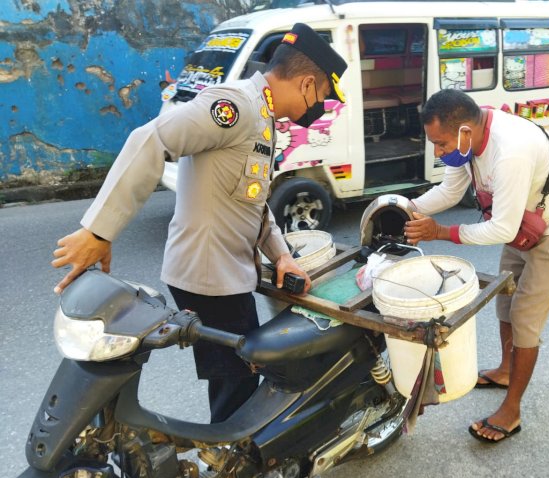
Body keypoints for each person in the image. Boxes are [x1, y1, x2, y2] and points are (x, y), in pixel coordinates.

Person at [51, 23, 348, 423]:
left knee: (240, 374)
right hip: (211, 278)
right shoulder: (236, 106)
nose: (321, 107)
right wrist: (99, 230)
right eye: (324, 97)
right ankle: (233, 469)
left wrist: (282, 256)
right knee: (236, 382)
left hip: (227, 272)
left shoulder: (263, 117)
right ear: (309, 84)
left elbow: (253, 203)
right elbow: (151, 139)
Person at [403, 89, 549, 443]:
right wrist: (406, 208)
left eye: (441, 143)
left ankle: (512, 410)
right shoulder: (468, 143)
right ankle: (507, 370)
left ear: (464, 130)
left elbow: (501, 229)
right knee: (506, 299)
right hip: (524, 225)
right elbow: (448, 193)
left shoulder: (510, 153)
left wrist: (440, 232)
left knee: (525, 317)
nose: (438, 151)